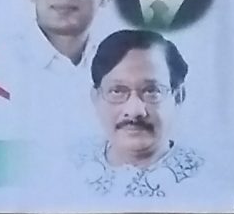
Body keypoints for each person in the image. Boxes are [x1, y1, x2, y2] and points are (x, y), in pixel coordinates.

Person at [74, 28, 206, 199]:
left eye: (152, 91)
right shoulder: (70, 167)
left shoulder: (205, 177)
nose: (134, 111)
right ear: (96, 97)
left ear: (178, 96)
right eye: (117, 91)